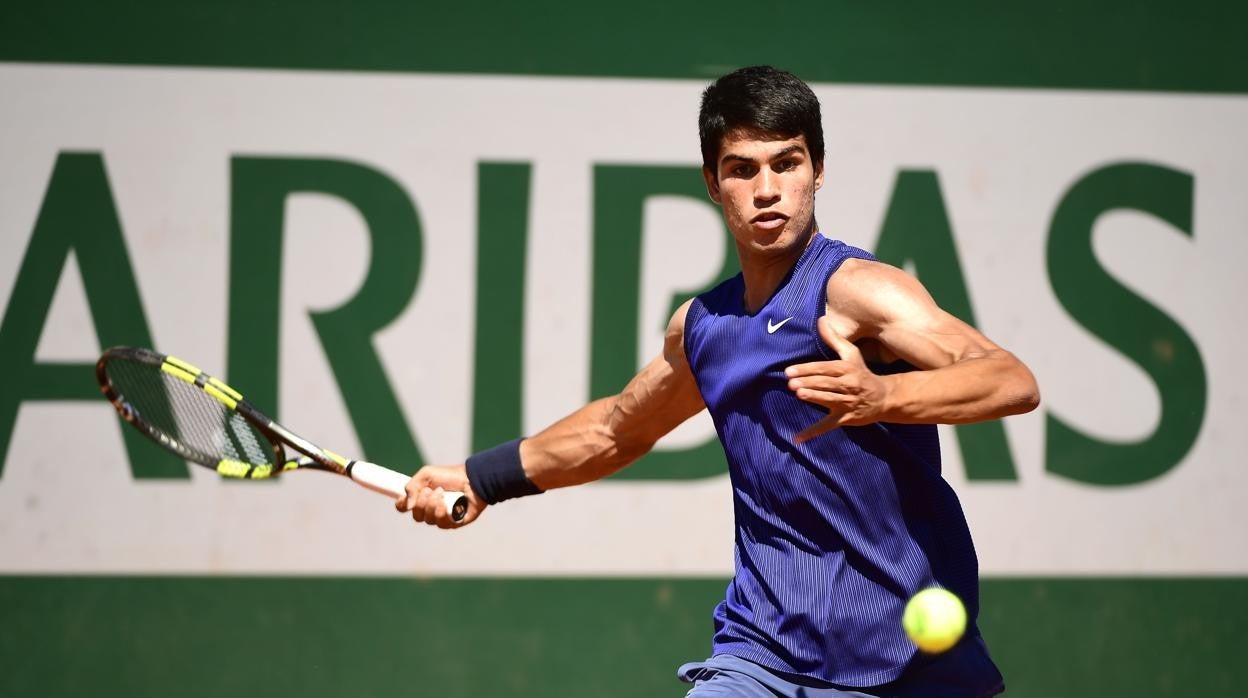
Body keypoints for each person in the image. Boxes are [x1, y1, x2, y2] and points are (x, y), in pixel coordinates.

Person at [397, 66, 1040, 697]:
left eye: (786, 164)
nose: (768, 189)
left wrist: (887, 395)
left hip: (905, 665)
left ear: (819, 169)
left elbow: (1009, 379)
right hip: (761, 654)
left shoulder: (858, 291)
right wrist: (482, 478)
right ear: (713, 183)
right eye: (743, 169)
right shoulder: (705, 327)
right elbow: (617, 429)